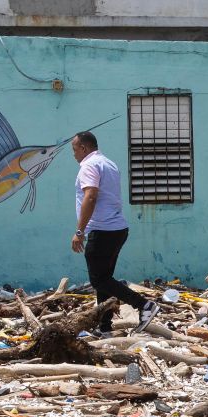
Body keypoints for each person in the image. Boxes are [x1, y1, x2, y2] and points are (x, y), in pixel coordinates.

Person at [70, 131, 158, 336]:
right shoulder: (108, 163)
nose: (74, 155)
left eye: (74, 150)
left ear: (83, 148)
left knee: (99, 280)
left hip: (102, 230)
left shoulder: (89, 165)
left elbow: (90, 196)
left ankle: (144, 305)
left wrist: (79, 231)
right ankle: (105, 328)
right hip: (117, 229)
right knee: (104, 279)